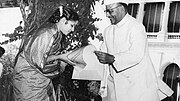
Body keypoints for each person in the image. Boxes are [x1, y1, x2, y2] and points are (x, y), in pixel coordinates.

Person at [94, 0, 173, 101]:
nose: (107, 15)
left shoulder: (136, 27)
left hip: (137, 88)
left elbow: (137, 55)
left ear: (121, 8)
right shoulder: (108, 31)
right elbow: (102, 54)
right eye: (106, 12)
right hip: (115, 87)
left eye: (110, 11)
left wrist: (113, 59)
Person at [13, 6, 79, 101]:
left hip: (37, 79)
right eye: (72, 25)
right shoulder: (48, 32)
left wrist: (60, 57)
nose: (72, 30)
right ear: (64, 20)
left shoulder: (55, 32)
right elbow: (40, 63)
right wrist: (61, 64)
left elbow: (43, 57)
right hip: (30, 79)